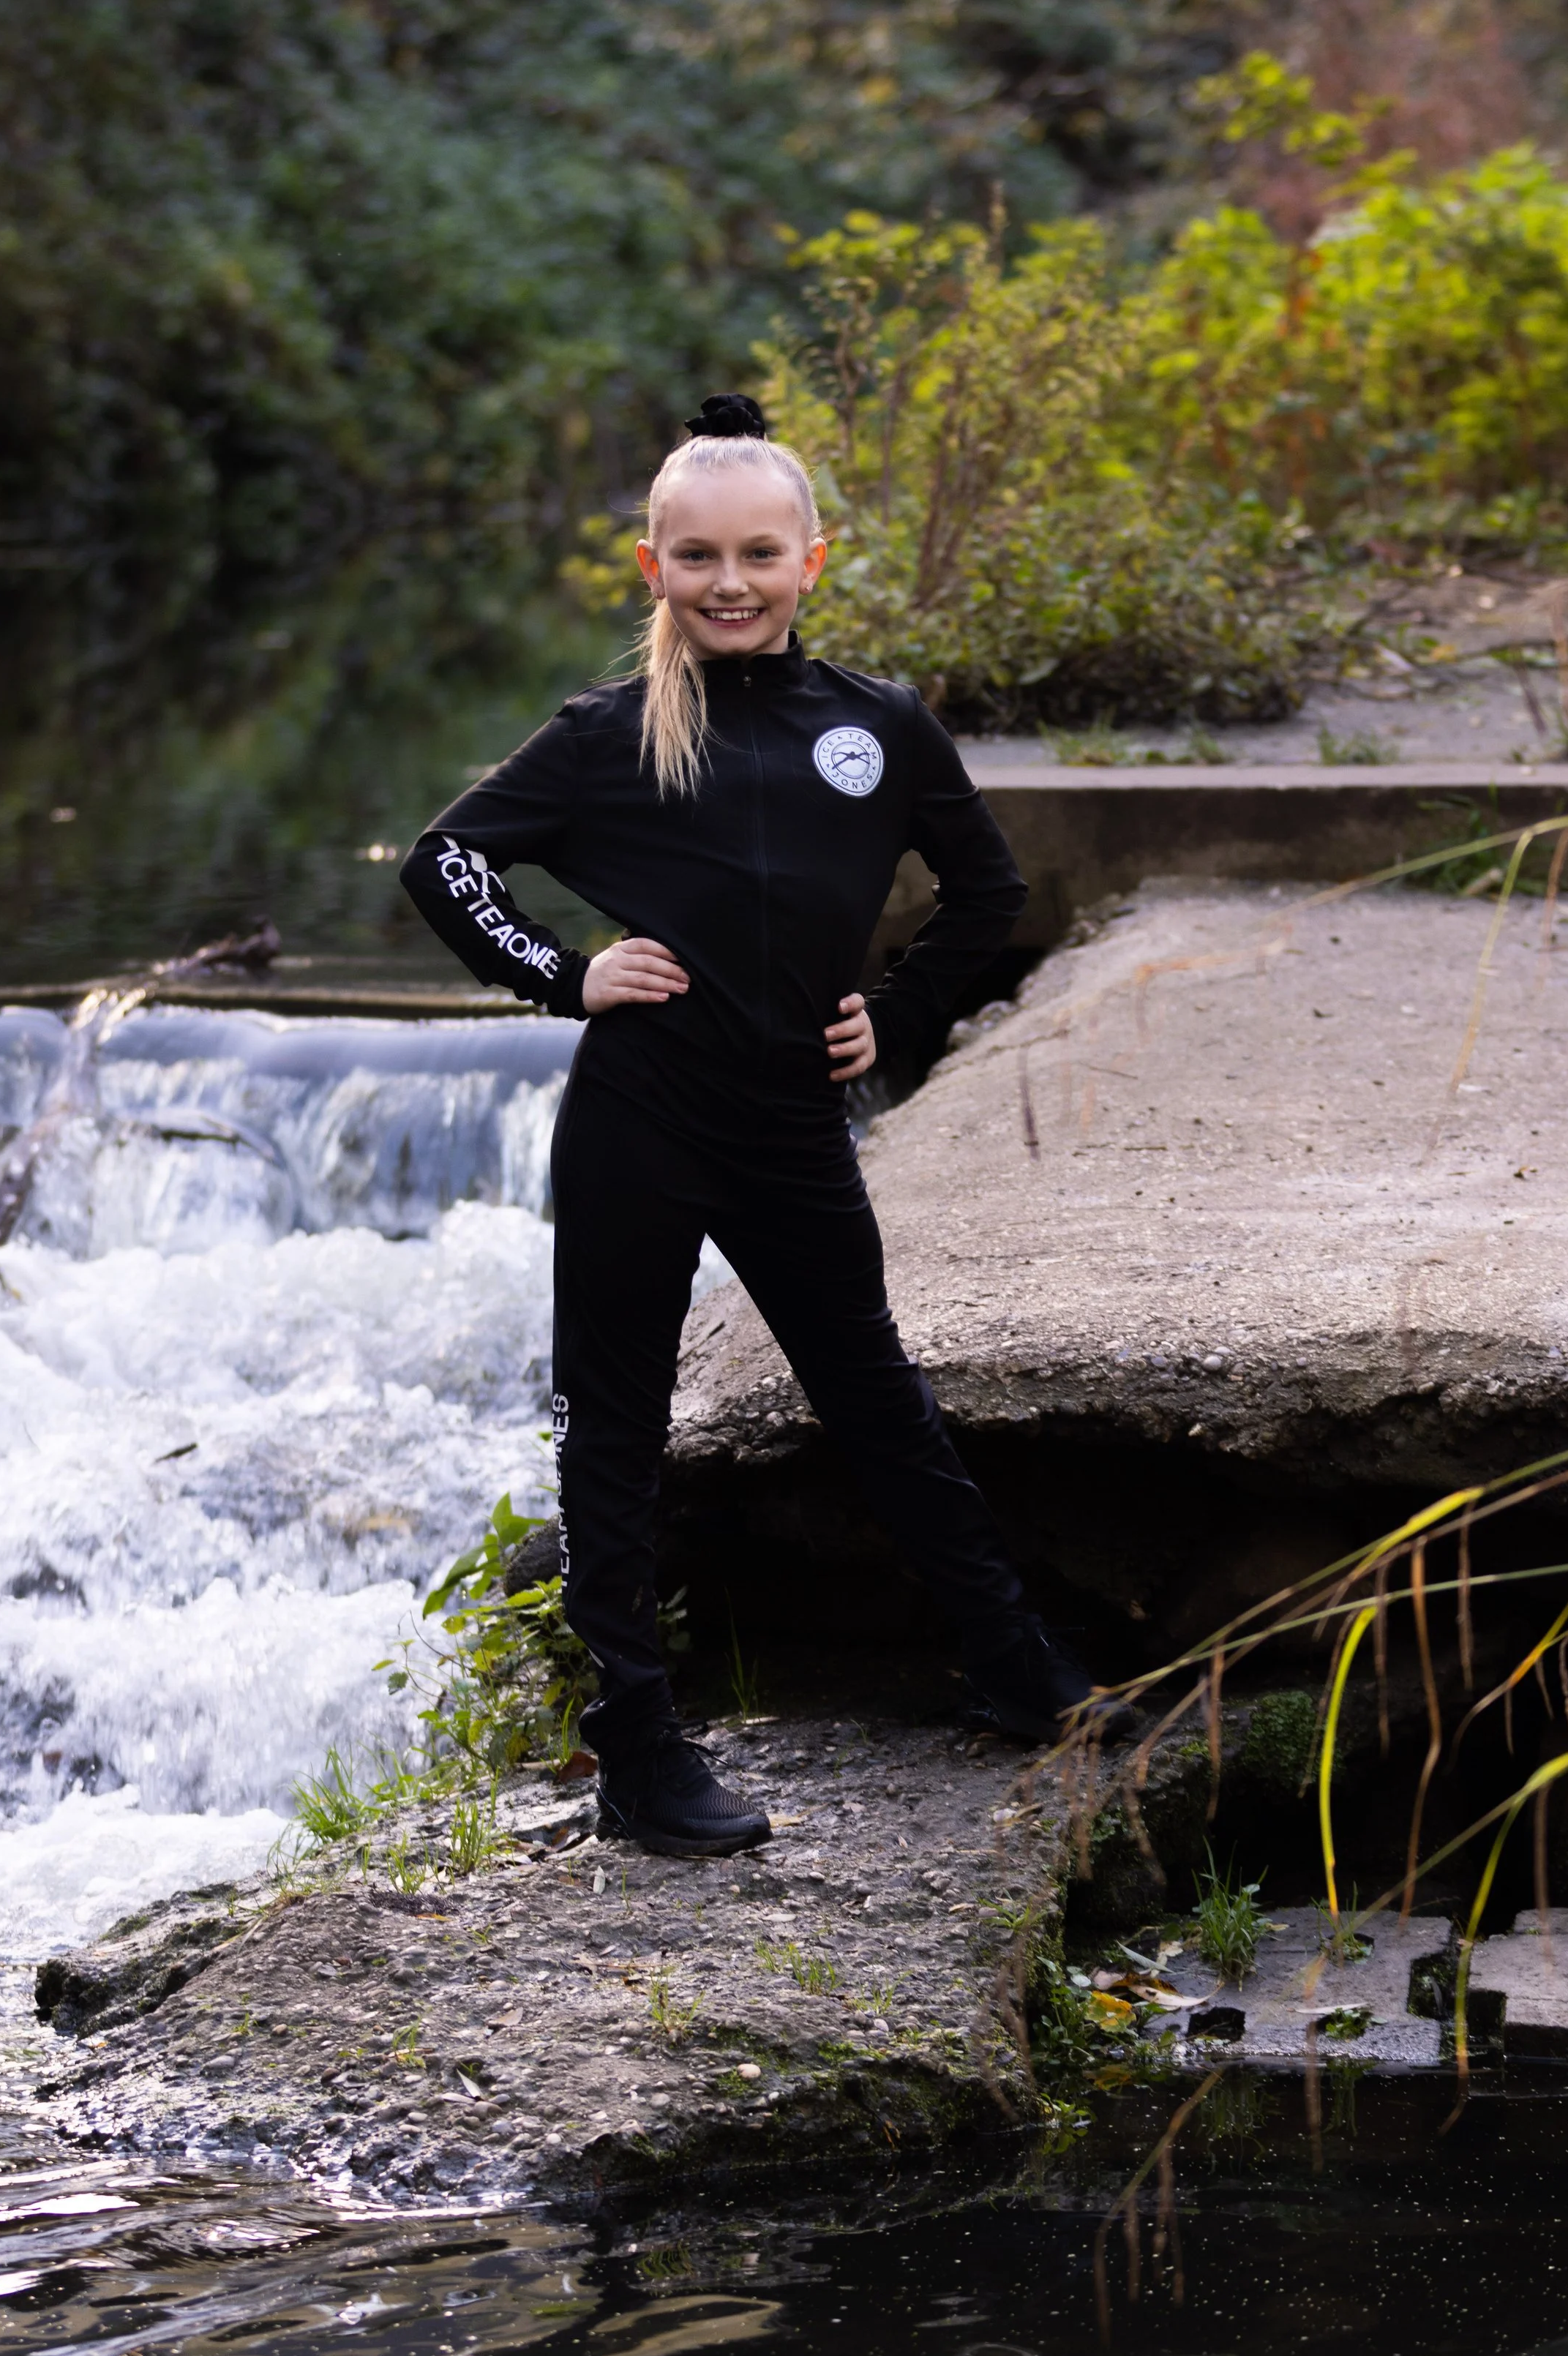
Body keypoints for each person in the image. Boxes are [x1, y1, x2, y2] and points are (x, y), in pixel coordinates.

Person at [402, 394, 1123, 1861]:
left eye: (756, 554)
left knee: (873, 1397)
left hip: (792, 1123)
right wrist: (563, 974)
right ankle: (639, 1755)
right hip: (640, 1121)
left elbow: (987, 898)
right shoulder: (606, 739)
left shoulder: (875, 728)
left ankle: (1008, 1661)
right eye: (695, 557)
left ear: (811, 562)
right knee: (613, 1428)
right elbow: (447, 859)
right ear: (650, 568)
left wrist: (898, 1018)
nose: (727, 581)